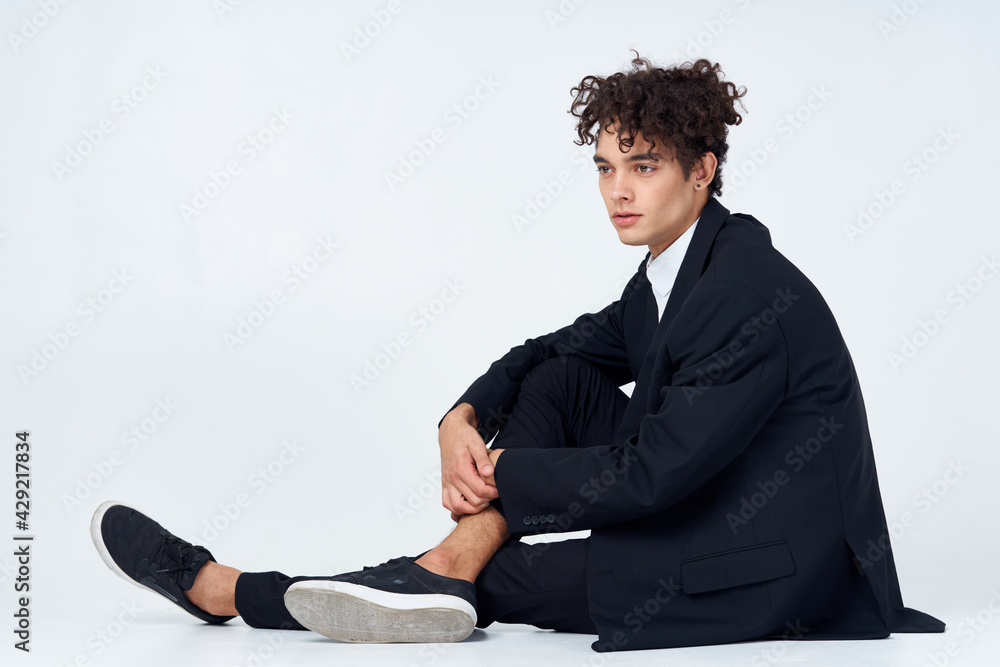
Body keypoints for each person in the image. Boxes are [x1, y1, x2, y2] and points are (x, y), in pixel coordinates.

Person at [91, 53, 945, 652]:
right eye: (605, 167)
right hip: (707, 493)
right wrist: (460, 416)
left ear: (703, 171)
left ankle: (226, 586)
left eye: (643, 166)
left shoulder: (742, 290)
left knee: (501, 580)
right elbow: (555, 351)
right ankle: (450, 564)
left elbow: (653, 473)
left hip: (760, 561)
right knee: (562, 379)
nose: (617, 190)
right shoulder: (673, 270)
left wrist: (499, 476)